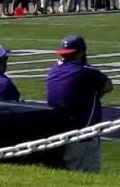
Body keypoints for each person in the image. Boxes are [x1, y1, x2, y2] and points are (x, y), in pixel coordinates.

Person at [42, 35, 112, 173]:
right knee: (88, 179)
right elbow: (108, 86)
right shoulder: (86, 71)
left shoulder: (53, 70)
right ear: (81, 53)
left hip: (57, 134)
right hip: (82, 136)